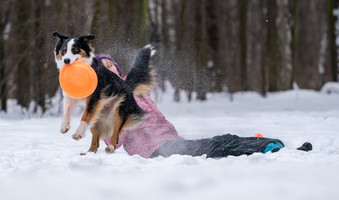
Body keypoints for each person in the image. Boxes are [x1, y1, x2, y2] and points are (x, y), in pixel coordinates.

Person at [95, 54, 312, 159]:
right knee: (221, 143)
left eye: (109, 65)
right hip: (158, 153)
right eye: (102, 69)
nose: (108, 69)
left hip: (173, 145)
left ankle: (268, 147)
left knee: (223, 144)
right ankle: (269, 148)